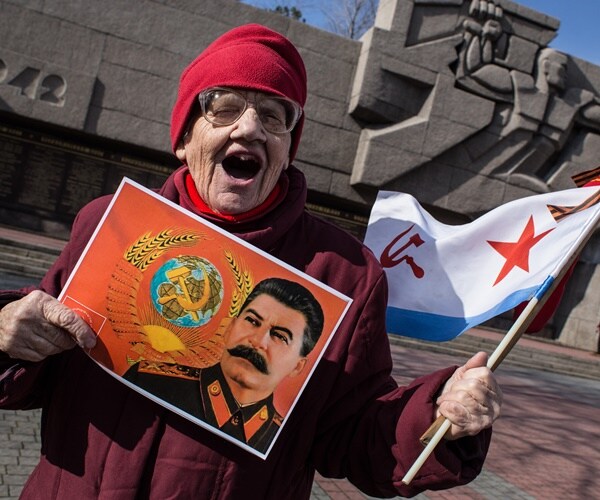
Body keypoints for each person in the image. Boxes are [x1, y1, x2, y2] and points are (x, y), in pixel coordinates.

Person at [0, 24, 502, 498]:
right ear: (184, 139)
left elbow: (353, 436)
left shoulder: (345, 274)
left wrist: (436, 417)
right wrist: (7, 334)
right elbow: (31, 375)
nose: (249, 128)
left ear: (287, 150)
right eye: (223, 108)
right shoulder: (107, 225)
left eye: (274, 116)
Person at [123, 277, 324, 453]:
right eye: (253, 321)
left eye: (280, 336)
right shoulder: (149, 381)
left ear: (298, 366)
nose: (257, 341)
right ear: (229, 328)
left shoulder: (287, 441)